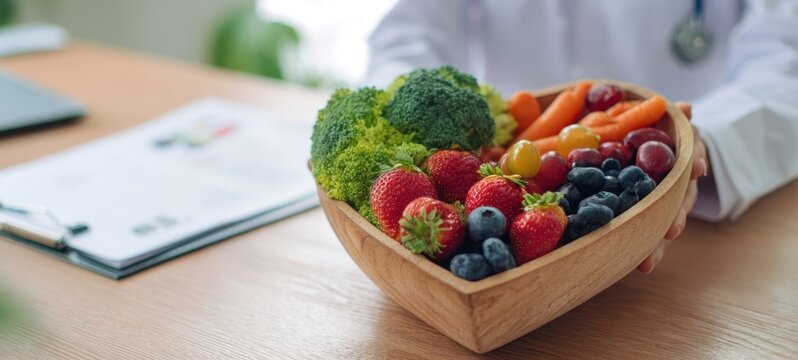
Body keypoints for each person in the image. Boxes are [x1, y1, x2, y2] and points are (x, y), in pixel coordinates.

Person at [365, 0, 798, 273]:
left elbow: (787, 64)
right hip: (489, 167)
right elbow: (407, 36)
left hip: (695, 234)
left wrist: (700, 141)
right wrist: (415, 132)